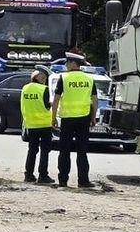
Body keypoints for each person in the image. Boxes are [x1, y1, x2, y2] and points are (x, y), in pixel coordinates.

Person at [51, 51, 98, 188]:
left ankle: (63, 180)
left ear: (73, 63)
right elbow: (95, 99)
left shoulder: (64, 78)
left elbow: (56, 99)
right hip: (84, 118)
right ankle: (83, 181)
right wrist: (93, 117)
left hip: (67, 119)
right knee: (82, 151)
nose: (65, 64)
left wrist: (53, 118)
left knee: (64, 151)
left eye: (67, 62)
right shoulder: (89, 79)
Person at [21, 65, 54, 184]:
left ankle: (28, 174)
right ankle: (43, 175)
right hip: (44, 124)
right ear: (41, 78)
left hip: (31, 124)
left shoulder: (25, 88)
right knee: (45, 151)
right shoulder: (43, 89)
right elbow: (46, 105)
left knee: (32, 150)